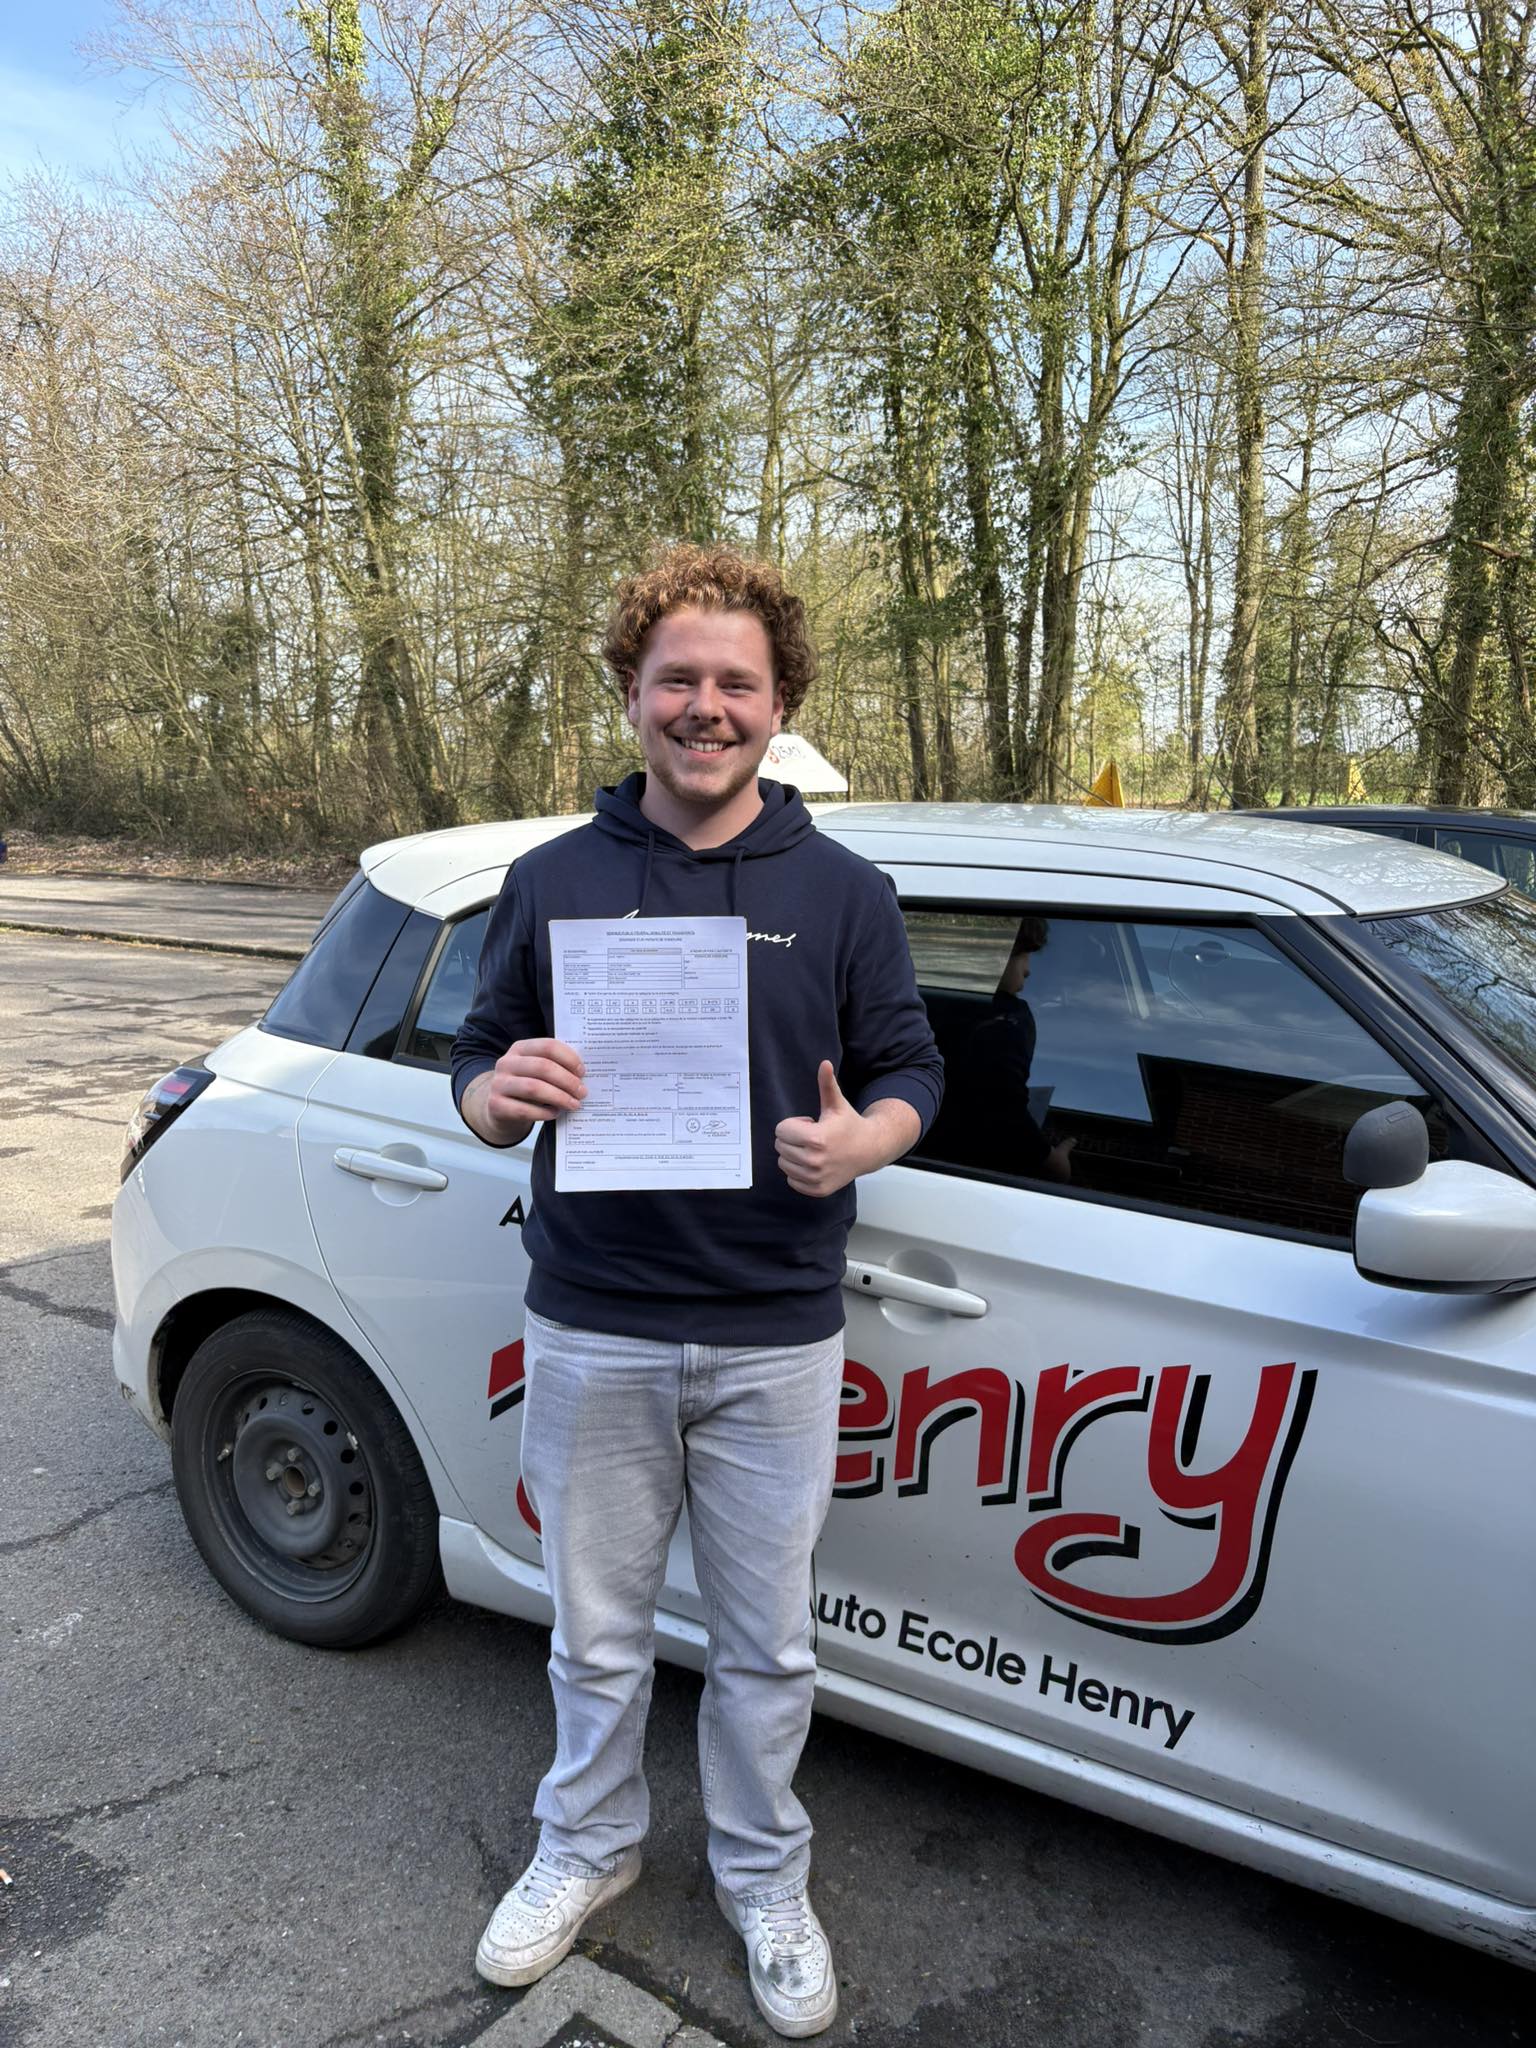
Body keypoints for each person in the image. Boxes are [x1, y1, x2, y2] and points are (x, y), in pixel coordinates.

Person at [450, 543, 943, 2039]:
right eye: (678, 680)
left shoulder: (845, 892)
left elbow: (915, 1069)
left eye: (738, 681)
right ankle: (586, 1846)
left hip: (775, 1336)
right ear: (631, 693)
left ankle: (763, 1875)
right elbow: (474, 1059)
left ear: (780, 702)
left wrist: (866, 1138)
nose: (706, 707)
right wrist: (496, 1097)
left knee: (767, 1649)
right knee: (592, 1634)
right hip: (592, 1320)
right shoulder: (552, 880)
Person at [930, 916, 1074, 1182]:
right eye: (1023, 955)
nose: (1028, 970)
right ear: (997, 954)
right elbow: (1003, 1109)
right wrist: (1050, 1160)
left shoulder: (923, 1003)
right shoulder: (1007, 1020)